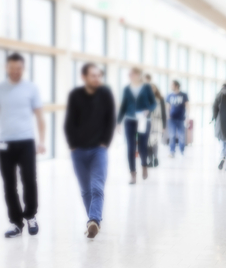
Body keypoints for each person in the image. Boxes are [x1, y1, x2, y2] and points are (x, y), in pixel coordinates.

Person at [0, 53, 47, 238]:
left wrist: (42, 140)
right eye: (12, 68)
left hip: (26, 141)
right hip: (4, 143)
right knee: (9, 184)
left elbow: (40, 117)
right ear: (6, 68)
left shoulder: (31, 88)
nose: (15, 72)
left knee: (29, 180)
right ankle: (16, 222)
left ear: (23, 68)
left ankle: (31, 215)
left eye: (19, 68)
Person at [64, 63, 116, 239]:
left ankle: (94, 220)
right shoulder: (75, 95)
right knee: (85, 190)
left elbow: (111, 119)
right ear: (84, 77)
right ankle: (93, 222)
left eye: (98, 75)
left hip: (98, 150)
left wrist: (105, 143)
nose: (96, 78)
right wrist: (72, 144)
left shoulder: (105, 94)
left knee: (97, 186)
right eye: (93, 75)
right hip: (78, 151)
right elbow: (69, 122)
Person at [117, 67, 157, 184]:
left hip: (143, 120)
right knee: (130, 147)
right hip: (129, 120)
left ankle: (144, 165)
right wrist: (118, 122)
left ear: (139, 75)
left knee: (142, 146)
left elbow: (154, 103)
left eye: (133, 74)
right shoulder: (126, 89)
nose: (130, 76)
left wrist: (148, 110)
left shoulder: (146, 87)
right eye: (129, 74)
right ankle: (133, 174)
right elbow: (123, 106)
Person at [144, 74, 166, 167]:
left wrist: (164, 126)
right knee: (148, 142)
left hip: (157, 123)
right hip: (147, 123)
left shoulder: (160, 99)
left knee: (155, 142)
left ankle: (155, 158)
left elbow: (163, 113)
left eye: (153, 88)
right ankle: (150, 160)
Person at [166, 80, 189, 157]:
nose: (170, 86)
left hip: (181, 118)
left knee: (181, 135)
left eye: (172, 85)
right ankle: (172, 151)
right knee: (172, 135)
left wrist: (187, 117)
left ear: (176, 85)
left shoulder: (183, 95)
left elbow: (187, 106)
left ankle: (182, 150)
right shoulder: (169, 95)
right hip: (171, 119)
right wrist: (167, 115)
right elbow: (168, 106)